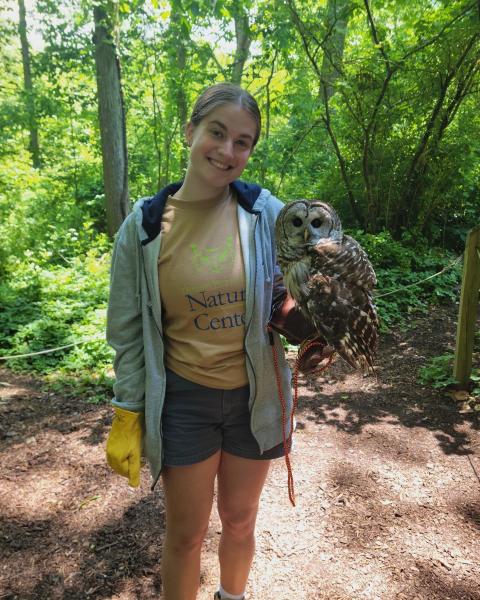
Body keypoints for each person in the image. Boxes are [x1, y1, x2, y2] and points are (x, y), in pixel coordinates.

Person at [105, 82, 318, 600]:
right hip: (184, 399)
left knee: (241, 521)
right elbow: (128, 329)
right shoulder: (145, 228)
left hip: (257, 394)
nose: (227, 151)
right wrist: (130, 407)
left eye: (242, 142)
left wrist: (319, 321)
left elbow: (308, 276)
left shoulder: (267, 212)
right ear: (190, 131)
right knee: (185, 535)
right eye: (217, 133)